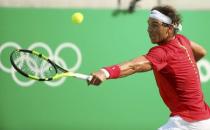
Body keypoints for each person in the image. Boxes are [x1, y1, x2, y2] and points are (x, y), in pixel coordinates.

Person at [88, 5, 210, 130]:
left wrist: (105, 72)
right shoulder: (181, 40)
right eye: (149, 24)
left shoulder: (162, 52)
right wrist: (181, 66)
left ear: (169, 28)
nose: (149, 29)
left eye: (155, 25)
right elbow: (201, 51)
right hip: (204, 120)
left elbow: (134, 66)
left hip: (187, 123)